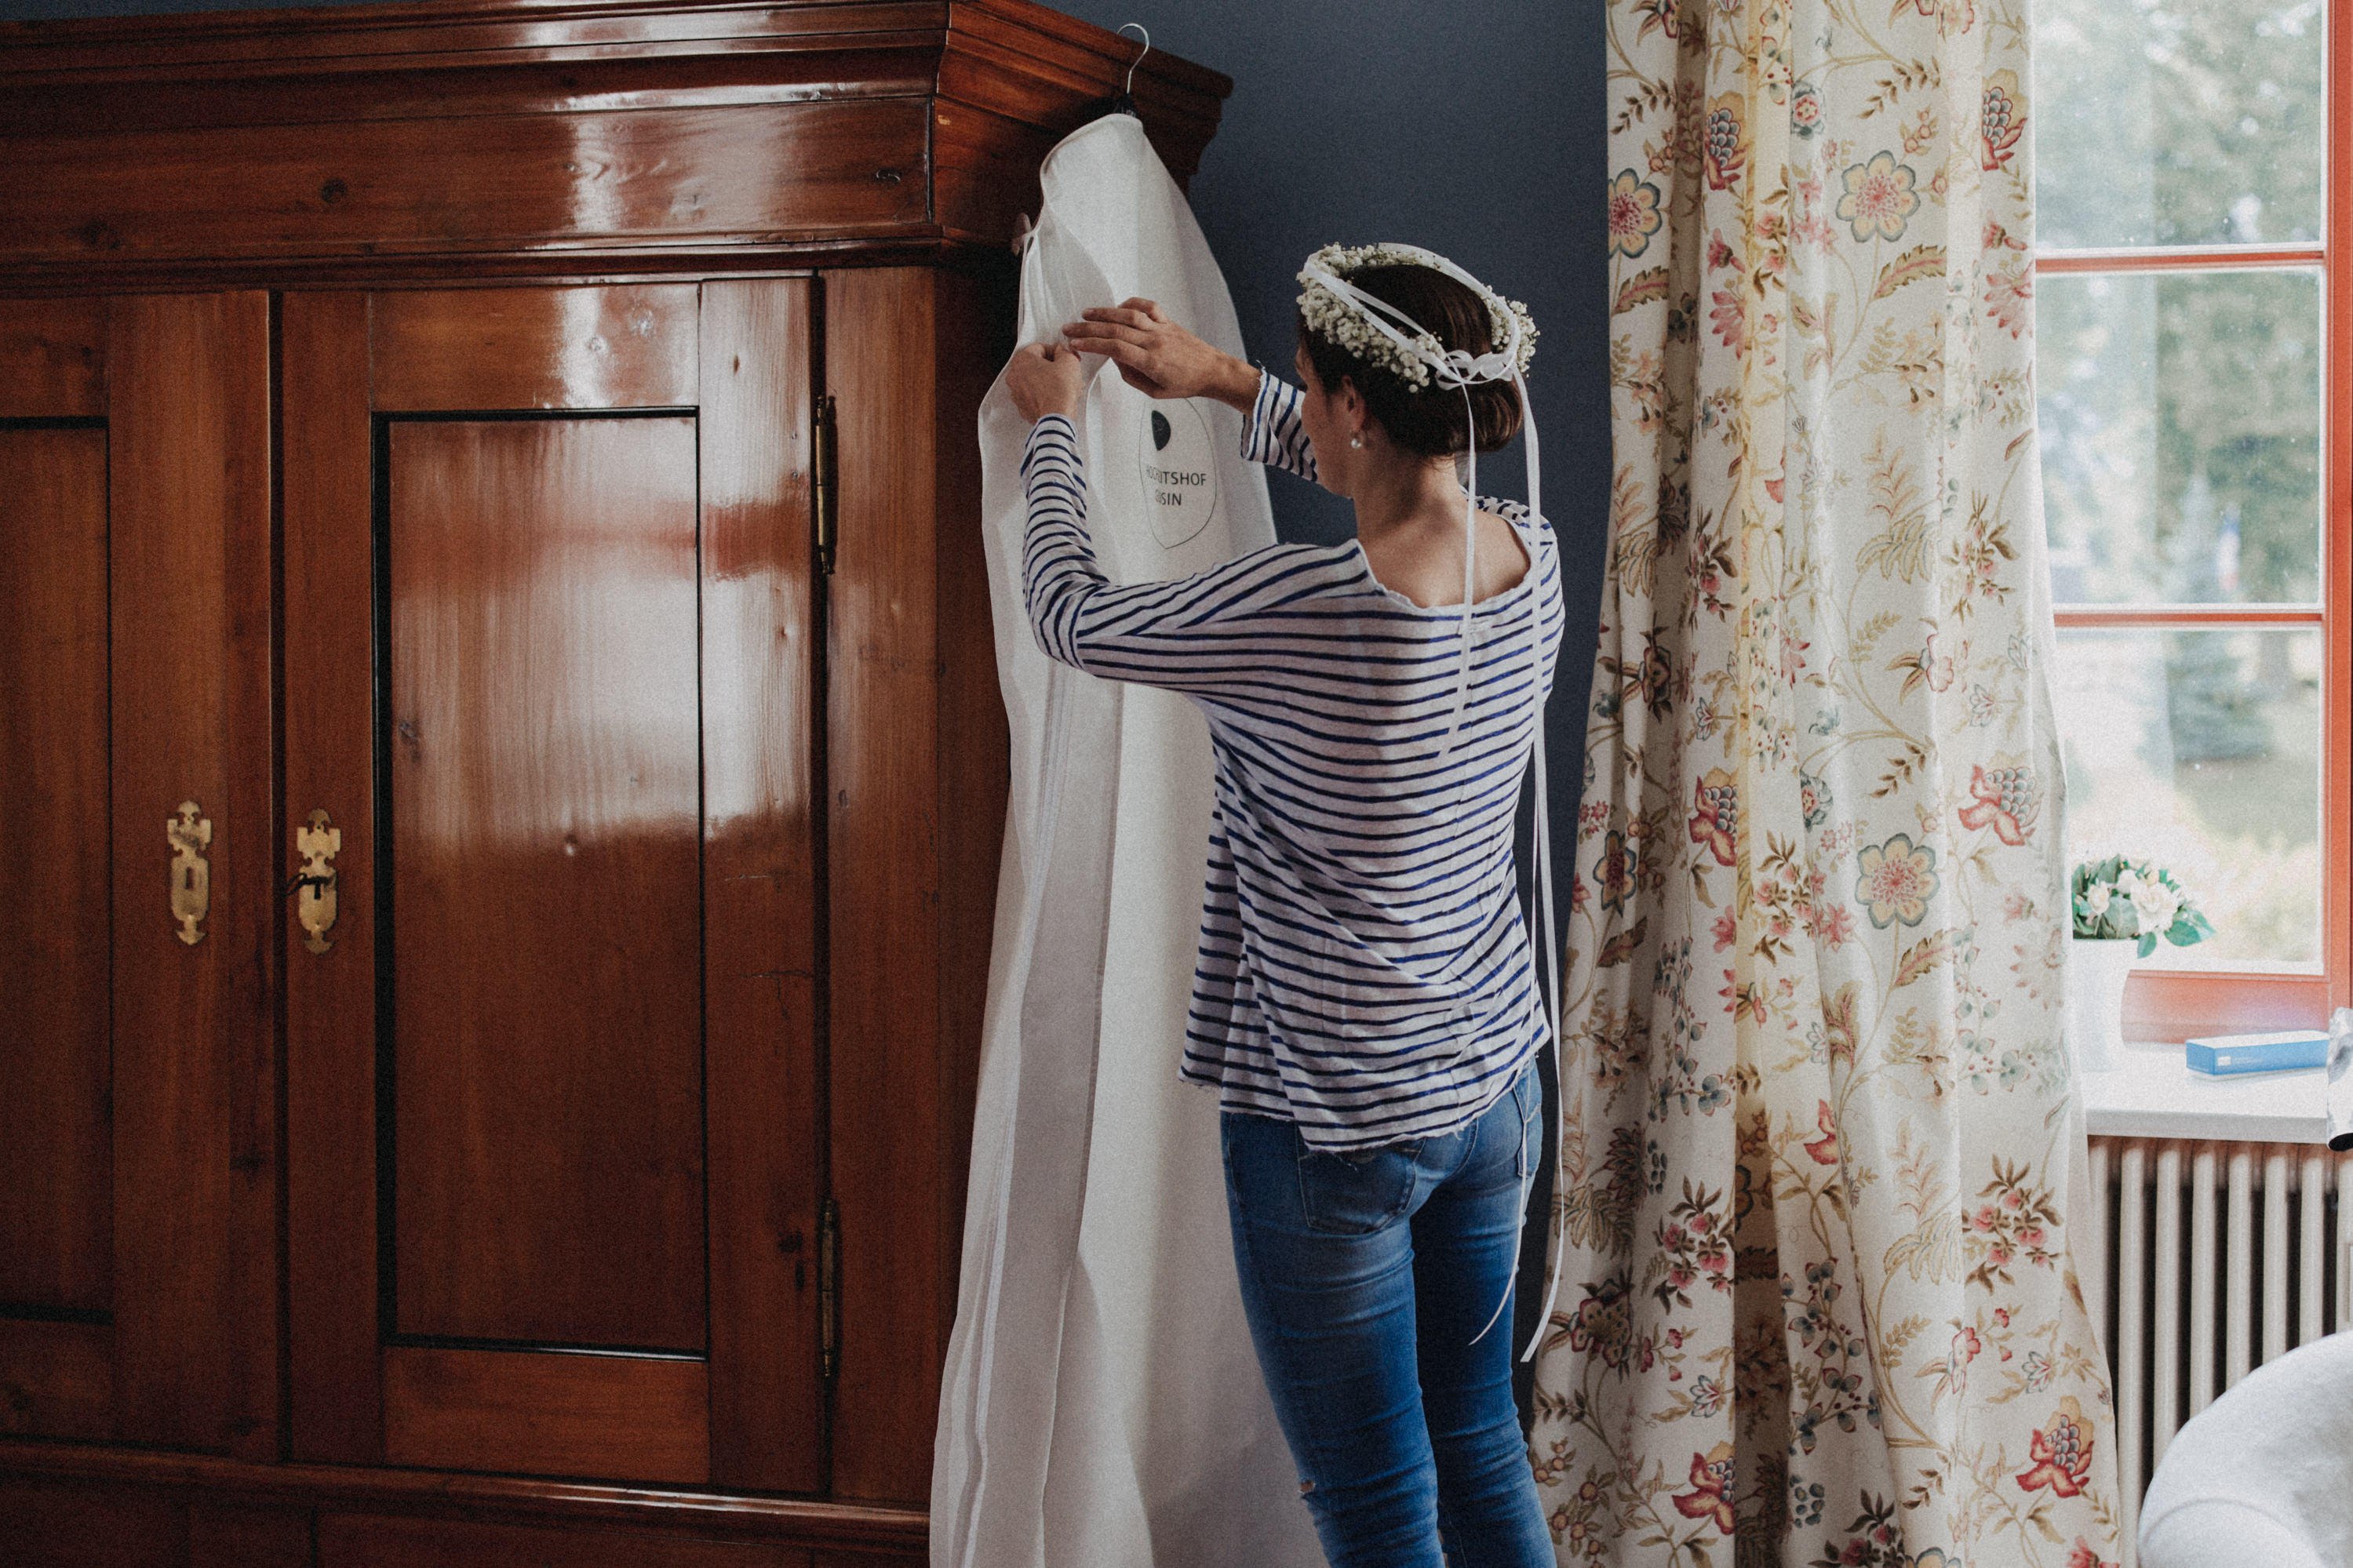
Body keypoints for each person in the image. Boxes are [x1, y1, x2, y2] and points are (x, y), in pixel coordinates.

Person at [1000, 243, 1562, 1568]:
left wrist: (1053, 437)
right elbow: (1388, 475)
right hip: (1490, 1093)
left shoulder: (1305, 612)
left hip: (1336, 1125)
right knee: (1479, 1447)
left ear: (1359, 408)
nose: (1305, 411)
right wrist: (1223, 381)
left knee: (1375, 1505)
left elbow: (1072, 616)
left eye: (1312, 392)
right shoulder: (1525, 554)